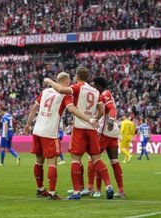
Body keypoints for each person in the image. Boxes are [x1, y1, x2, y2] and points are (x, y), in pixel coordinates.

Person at [44, 67, 114, 200]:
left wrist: (49, 81)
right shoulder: (95, 91)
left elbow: (60, 90)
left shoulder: (77, 87)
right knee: (97, 159)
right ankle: (109, 186)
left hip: (80, 128)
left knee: (76, 159)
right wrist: (94, 120)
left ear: (77, 76)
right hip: (92, 129)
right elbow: (102, 109)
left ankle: (76, 192)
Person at [25, 72, 97, 200]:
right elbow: (72, 109)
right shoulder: (65, 94)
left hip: (37, 130)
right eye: (69, 81)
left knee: (39, 161)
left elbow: (33, 109)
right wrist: (88, 119)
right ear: (65, 82)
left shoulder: (45, 92)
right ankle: (52, 193)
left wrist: (28, 124)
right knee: (52, 162)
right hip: (49, 133)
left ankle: (40, 189)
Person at [87, 76, 125, 198]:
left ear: (98, 85)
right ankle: (121, 190)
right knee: (114, 161)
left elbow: (112, 108)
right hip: (113, 133)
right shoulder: (104, 95)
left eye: (94, 85)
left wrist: (111, 120)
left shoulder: (104, 93)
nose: (93, 87)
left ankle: (95, 189)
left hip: (105, 132)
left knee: (95, 158)